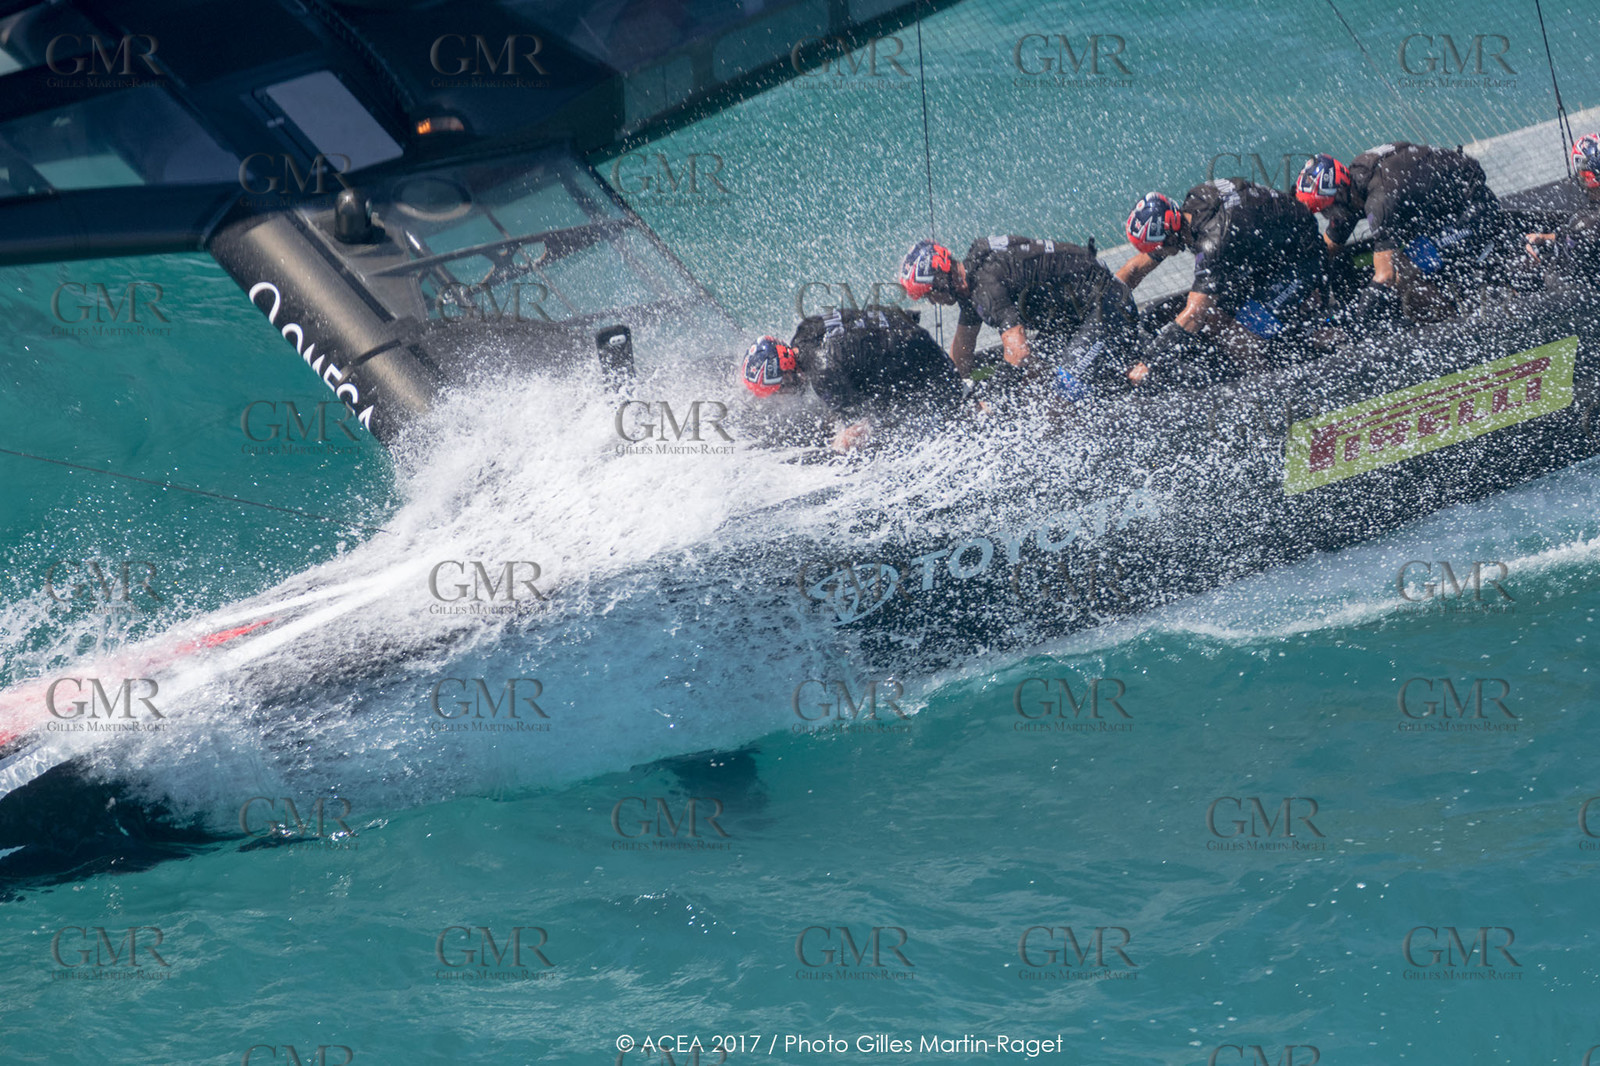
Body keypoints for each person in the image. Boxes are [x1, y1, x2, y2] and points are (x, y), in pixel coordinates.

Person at [1117, 178, 1327, 383]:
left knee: (1239, 336)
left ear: (1171, 235)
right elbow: (1136, 269)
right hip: (1267, 249)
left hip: (1301, 257)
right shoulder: (1193, 203)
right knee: (1216, 318)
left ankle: (1268, 388)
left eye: (1157, 248)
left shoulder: (1213, 245)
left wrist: (1149, 362)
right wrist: (1107, 300)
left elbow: (1194, 314)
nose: (1156, 254)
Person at [896, 235, 1143, 401]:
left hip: (1107, 306)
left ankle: (1132, 381)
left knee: (1063, 385)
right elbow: (963, 349)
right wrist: (953, 395)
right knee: (1036, 377)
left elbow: (1018, 352)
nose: (932, 302)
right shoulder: (973, 272)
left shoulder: (986, 287)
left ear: (943, 280)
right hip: (1075, 316)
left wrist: (992, 400)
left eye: (930, 294)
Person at [1293, 142, 1503, 328]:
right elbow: (1329, 246)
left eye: (1326, 209)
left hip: (1474, 212)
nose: (1327, 215)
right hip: (1443, 209)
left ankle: (1455, 326)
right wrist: (1306, 285)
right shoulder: (1354, 181)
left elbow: (1385, 275)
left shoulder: (1380, 200)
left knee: (1402, 269)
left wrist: (1358, 323)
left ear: (1339, 193)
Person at [739, 305, 967, 451]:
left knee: (852, 439)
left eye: (779, 388)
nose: (781, 394)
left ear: (787, 372)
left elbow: (861, 426)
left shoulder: (824, 376)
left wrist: (836, 448)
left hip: (925, 363)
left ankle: (970, 404)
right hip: (905, 326)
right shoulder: (806, 330)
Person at [1524, 134, 1600, 279]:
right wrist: (1545, 238)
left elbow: (1564, 266)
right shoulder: (1587, 222)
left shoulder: (1586, 221)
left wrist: (1537, 260)